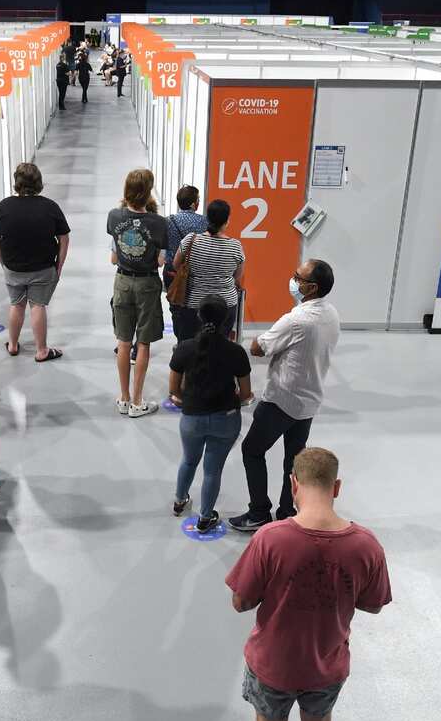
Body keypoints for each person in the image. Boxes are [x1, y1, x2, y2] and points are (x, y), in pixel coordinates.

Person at [210, 447, 391, 721]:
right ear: (336, 487)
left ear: (293, 484)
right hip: (327, 665)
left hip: (273, 664)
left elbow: (240, 602)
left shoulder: (270, 538)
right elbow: (373, 604)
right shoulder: (366, 545)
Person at [228, 260, 340, 532]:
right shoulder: (331, 314)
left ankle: (258, 512)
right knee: (294, 461)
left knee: (252, 450)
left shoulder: (296, 320)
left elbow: (258, 348)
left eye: (297, 277)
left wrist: (258, 340)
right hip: (309, 401)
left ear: (311, 287)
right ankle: (288, 511)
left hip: (282, 399)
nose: (293, 281)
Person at [169, 296, 252, 534]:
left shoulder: (184, 348)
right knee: (212, 469)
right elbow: (245, 394)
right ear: (227, 320)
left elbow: (174, 390)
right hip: (225, 420)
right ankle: (206, 517)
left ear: (199, 316)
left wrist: (190, 401)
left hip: (192, 418)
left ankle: (179, 500)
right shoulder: (236, 352)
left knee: (188, 460)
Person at [0, 162, 70, 363]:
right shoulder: (50, 207)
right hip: (43, 268)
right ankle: (41, 350)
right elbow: (64, 237)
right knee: (38, 306)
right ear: (39, 182)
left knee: (16, 305)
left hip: (13, 268)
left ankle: (13, 345)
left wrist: (3, 262)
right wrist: (59, 264)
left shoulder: (4, 206)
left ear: (17, 183)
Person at [107, 168, 168, 417]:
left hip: (122, 281)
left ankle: (123, 397)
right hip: (147, 285)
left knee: (123, 341)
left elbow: (113, 257)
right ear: (148, 192)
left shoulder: (114, 216)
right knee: (143, 343)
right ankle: (137, 401)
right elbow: (161, 261)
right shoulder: (159, 223)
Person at [173, 199, 245, 342]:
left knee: (189, 344)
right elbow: (238, 277)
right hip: (225, 305)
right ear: (227, 221)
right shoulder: (235, 246)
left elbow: (176, 265)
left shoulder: (191, 240)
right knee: (219, 345)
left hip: (193, 303)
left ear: (207, 218)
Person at [163, 185, 211, 339]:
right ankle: (194, 341)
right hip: (196, 272)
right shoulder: (204, 222)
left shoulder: (168, 221)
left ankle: (181, 341)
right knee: (195, 308)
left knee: (176, 308)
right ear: (193, 204)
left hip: (173, 272)